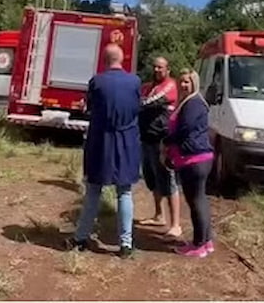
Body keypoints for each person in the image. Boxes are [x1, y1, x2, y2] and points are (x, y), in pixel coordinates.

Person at [68, 44, 141, 258]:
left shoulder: (97, 81)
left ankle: (81, 238)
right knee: (124, 192)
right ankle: (126, 244)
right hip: (126, 141)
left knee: (93, 191)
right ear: (122, 59)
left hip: (101, 141)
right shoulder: (135, 82)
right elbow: (137, 107)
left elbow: (90, 108)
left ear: (104, 59)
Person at [162, 69, 214, 258]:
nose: (184, 85)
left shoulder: (193, 103)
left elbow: (185, 129)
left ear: (194, 83)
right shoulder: (191, 102)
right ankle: (206, 241)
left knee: (196, 201)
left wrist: (167, 142)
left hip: (194, 159)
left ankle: (199, 244)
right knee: (200, 199)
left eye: (187, 82)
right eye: (181, 82)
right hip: (196, 158)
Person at [138, 56, 182, 238]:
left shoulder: (170, 85)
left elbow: (149, 102)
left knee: (168, 180)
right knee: (151, 178)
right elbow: (140, 98)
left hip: (162, 141)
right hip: (146, 138)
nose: (156, 70)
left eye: (160, 67)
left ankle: (176, 224)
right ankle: (159, 215)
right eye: (155, 67)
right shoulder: (147, 86)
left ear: (168, 69)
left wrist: (138, 102)